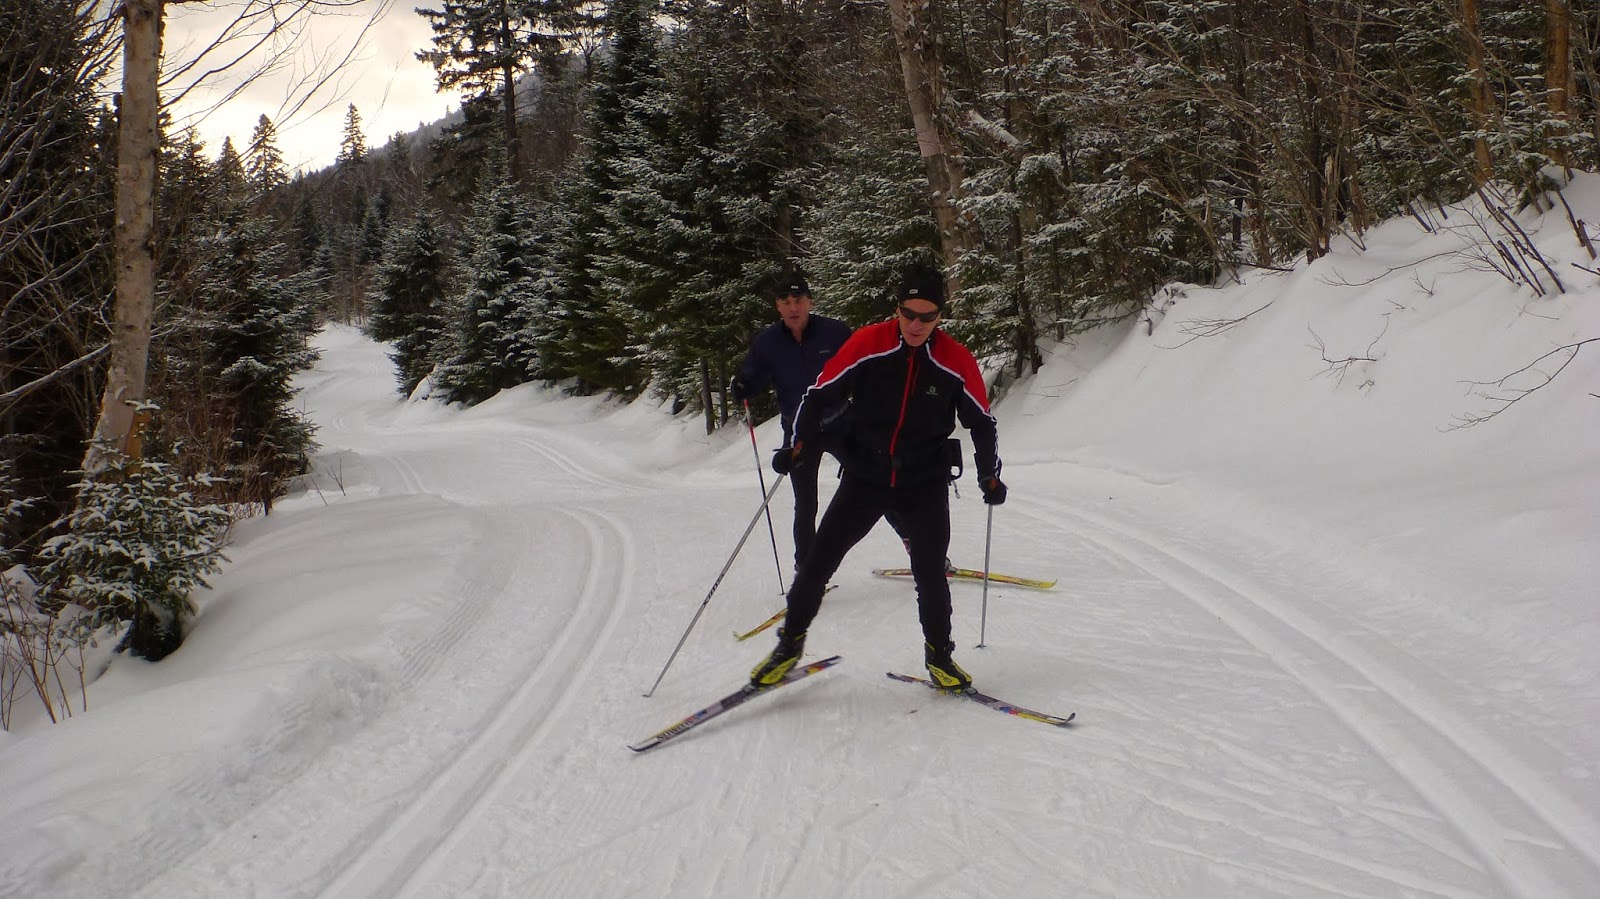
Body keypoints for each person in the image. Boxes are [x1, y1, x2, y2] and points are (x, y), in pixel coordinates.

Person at [752, 264, 1007, 691]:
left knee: (929, 573)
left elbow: (981, 421)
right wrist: (795, 446)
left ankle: (940, 658)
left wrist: (989, 476)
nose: (916, 325)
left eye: (928, 317)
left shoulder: (954, 359)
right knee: (816, 564)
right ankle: (787, 648)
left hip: (923, 482)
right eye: (909, 314)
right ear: (898, 310)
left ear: (940, 316)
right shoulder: (869, 342)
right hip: (865, 477)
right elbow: (817, 396)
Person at [729, 272, 855, 575]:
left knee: (875, 481)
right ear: (778, 307)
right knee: (805, 503)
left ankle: (912, 544)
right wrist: (743, 386)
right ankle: (806, 569)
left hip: (840, 422)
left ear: (809, 302)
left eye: (798, 300)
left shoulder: (835, 332)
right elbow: (753, 376)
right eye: (786, 302)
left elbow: (862, 367)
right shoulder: (768, 342)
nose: (793, 307)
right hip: (800, 431)